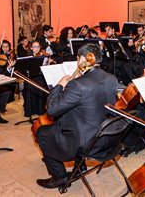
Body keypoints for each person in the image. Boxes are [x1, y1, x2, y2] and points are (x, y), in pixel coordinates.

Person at [36, 44, 118, 189]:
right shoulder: (111, 78)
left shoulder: (78, 85)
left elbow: (52, 110)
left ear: (82, 60)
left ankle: (59, 177)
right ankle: (80, 165)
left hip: (85, 143)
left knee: (42, 133)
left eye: (77, 59)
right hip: (106, 137)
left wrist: (59, 86)